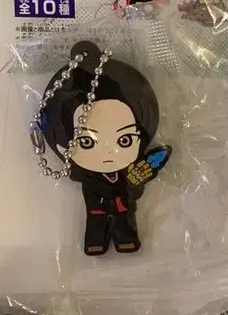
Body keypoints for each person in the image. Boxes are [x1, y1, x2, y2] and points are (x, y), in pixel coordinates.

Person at [40, 42, 170, 255]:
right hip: (96, 207)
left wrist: (134, 184)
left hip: (122, 204)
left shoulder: (126, 171)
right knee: (96, 222)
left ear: (140, 137)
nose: (108, 153)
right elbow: (86, 185)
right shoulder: (85, 174)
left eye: (125, 140)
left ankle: (126, 239)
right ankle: (96, 241)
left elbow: (134, 190)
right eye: (87, 142)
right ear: (64, 146)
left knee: (124, 220)